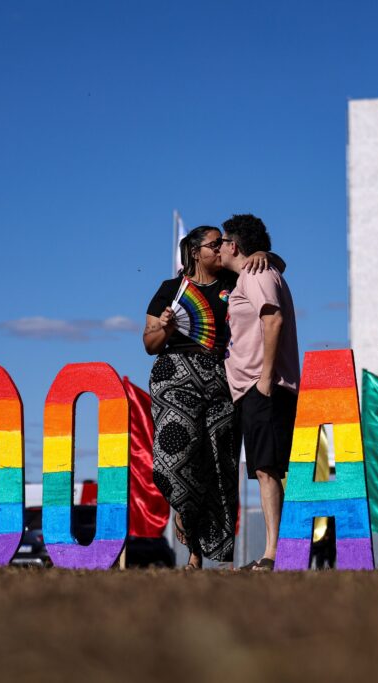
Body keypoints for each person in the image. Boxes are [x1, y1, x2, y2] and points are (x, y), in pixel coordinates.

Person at [143, 225, 279, 569]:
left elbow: (276, 269)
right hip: (174, 375)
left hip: (221, 377)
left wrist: (265, 255)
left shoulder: (233, 282)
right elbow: (149, 344)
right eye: (214, 244)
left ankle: (195, 555)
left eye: (224, 243)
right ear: (195, 251)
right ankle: (184, 515)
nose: (222, 248)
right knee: (174, 460)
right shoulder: (170, 289)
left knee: (219, 464)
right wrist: (165, 328)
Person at [218, 214, 300, 571]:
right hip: (249, 389)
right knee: (264, 469)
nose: (218, 247)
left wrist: (265, 379)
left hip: (262, 387)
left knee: (268, 469)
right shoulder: (251, 273)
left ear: (234, 246)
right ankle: (273, 552)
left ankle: (272, 554)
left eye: (222, 242)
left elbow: (273, 319)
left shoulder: (256, 274)